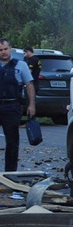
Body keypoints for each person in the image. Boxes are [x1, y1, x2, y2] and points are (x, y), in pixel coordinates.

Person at [0, 38, 36, 171]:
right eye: (0, 50)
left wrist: (31, 105)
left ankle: (10, 173)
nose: (3, 52)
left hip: (12, 107)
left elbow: (29, 84)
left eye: (5, 49)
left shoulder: (21, 65)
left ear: (10, 49)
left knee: (12, 142)